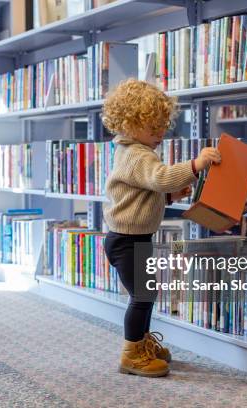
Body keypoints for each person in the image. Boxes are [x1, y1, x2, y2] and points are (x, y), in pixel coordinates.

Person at [102, 79, 221, 377]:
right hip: (125, 241)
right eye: (152, 128)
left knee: (147, 293)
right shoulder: (137, 154)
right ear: (129, 125)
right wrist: (196, 164)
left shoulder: (134, 151)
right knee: (143, 296)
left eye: (162, 126)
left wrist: (169, 197)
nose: (160, 134)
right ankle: (131, 353)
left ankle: (141, 344)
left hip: (135, 237)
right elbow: (160, 178)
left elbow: (144, 193)